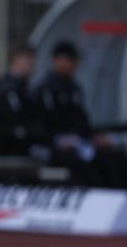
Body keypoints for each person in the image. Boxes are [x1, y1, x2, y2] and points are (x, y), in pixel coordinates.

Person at [35, 41, 127, 188]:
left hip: (80, 143)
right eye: (71, 60)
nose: (75, 65)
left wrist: (93, 137)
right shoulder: (45, 89)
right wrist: (58, 140)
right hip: (56, 145)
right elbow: (43, 124)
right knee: (85, 167)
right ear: (58, 60)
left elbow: (81, 120)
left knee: (114, 158)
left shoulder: (74, 88)